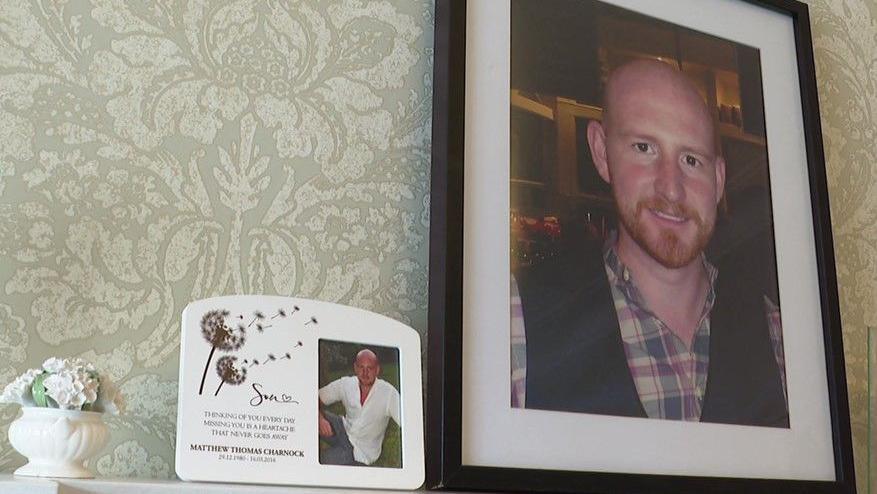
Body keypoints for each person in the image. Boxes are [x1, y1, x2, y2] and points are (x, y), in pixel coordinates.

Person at [510, 60, 789, 428]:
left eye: (691, 159)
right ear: (601, 152)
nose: (671, 188)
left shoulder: (778, 336)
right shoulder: (517, 322)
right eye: (644, 148)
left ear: (719, 179)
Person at [318, 349, 401, 465]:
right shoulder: (346, 384)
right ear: (355, 368)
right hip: (344, 430)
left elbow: (409, 424)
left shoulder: (389, 394)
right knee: (310, 418)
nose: (365, 373)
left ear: (377, 370)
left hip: (360, 452)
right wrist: (319, 419)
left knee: (324, 460)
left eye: (370, 368)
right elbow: (315, 398)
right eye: (361, 367)